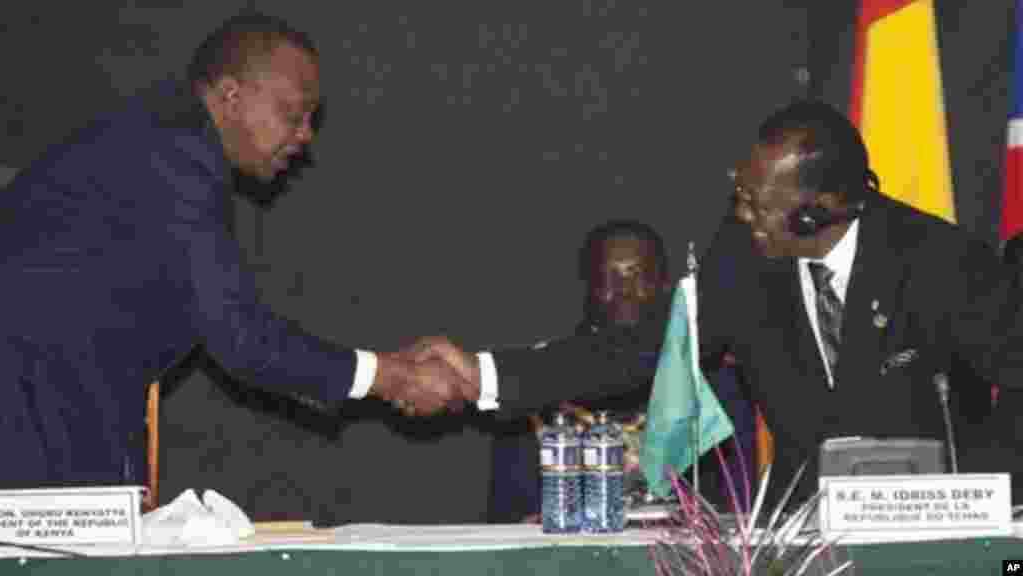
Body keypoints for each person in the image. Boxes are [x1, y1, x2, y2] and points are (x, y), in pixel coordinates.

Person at [414, 100, 1023, 509]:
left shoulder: (941, 261)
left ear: (821, 210)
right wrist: (486, 372)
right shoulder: (745, 255)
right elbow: (646, 345)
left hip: (931, 530)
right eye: (741, 195)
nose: (740, 215)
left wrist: (994, 508)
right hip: (798, 533)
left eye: (759, 204)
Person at [0, 12, 480, 490]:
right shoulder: (176, 157)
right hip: (27, 412)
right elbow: (241, 336)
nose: (306, 135)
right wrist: (389, 377)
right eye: (293, 115)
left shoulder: (159, 141)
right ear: (231, 96)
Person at [488, 220, 672, 522]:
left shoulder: (702, 374)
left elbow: (729, 506)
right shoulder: (539, 378)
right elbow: (509, 516)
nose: (624, 291)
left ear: (665, 284)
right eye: (608, 278)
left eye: (638, 276)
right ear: (589, 287)